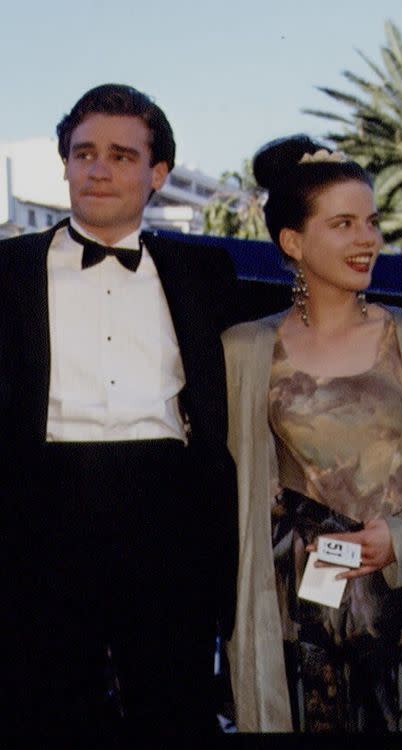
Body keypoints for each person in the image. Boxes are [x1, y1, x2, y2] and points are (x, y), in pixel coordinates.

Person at [0, 84, 238, 741]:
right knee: (43, 704)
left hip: (166, 504)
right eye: (84, 154)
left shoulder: (204, 271)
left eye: (121, 156)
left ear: (157, 174)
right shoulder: (8, 269)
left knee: (173, 703)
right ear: (66, 164)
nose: (99, 169)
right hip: (40, 504)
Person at [222, 134, 402, 734]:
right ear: (293, 242)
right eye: (343, 224)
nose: (368, 240)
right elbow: (230, 485)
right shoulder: (244, 351)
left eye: (371, 221)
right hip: (300, 614)